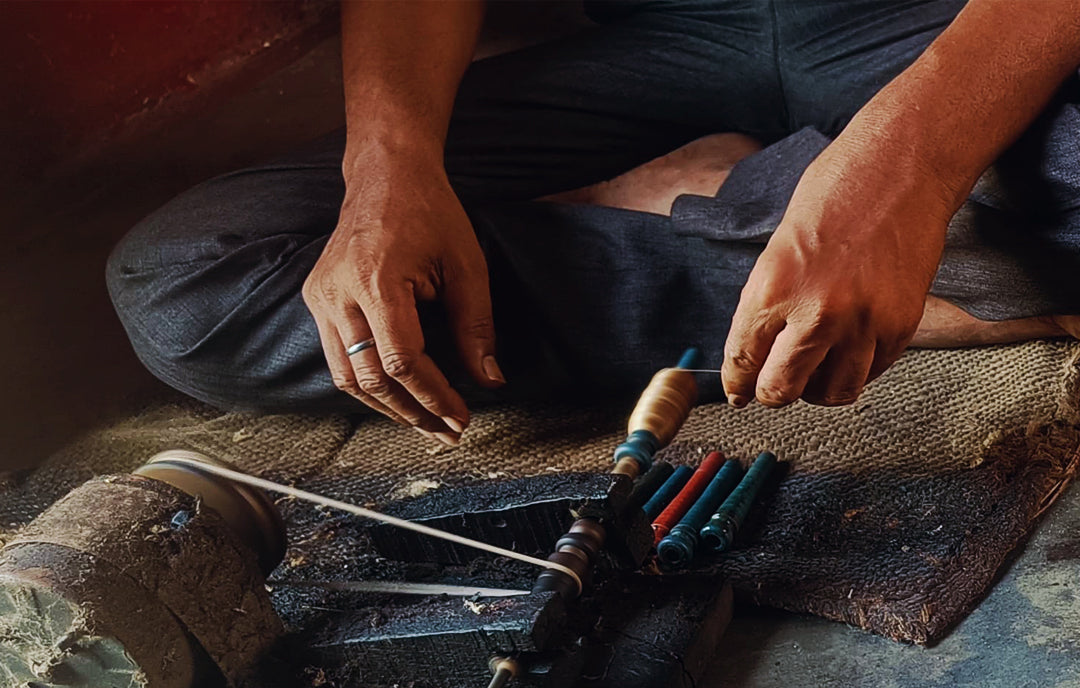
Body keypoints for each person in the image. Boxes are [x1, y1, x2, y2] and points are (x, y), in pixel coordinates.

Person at [107, 0, 1080, 449]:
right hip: (668, 35)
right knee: (186, 285)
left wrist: (902, 175)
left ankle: (724, 211)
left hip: (941, 19)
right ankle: (888, 285)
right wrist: (387, 174)